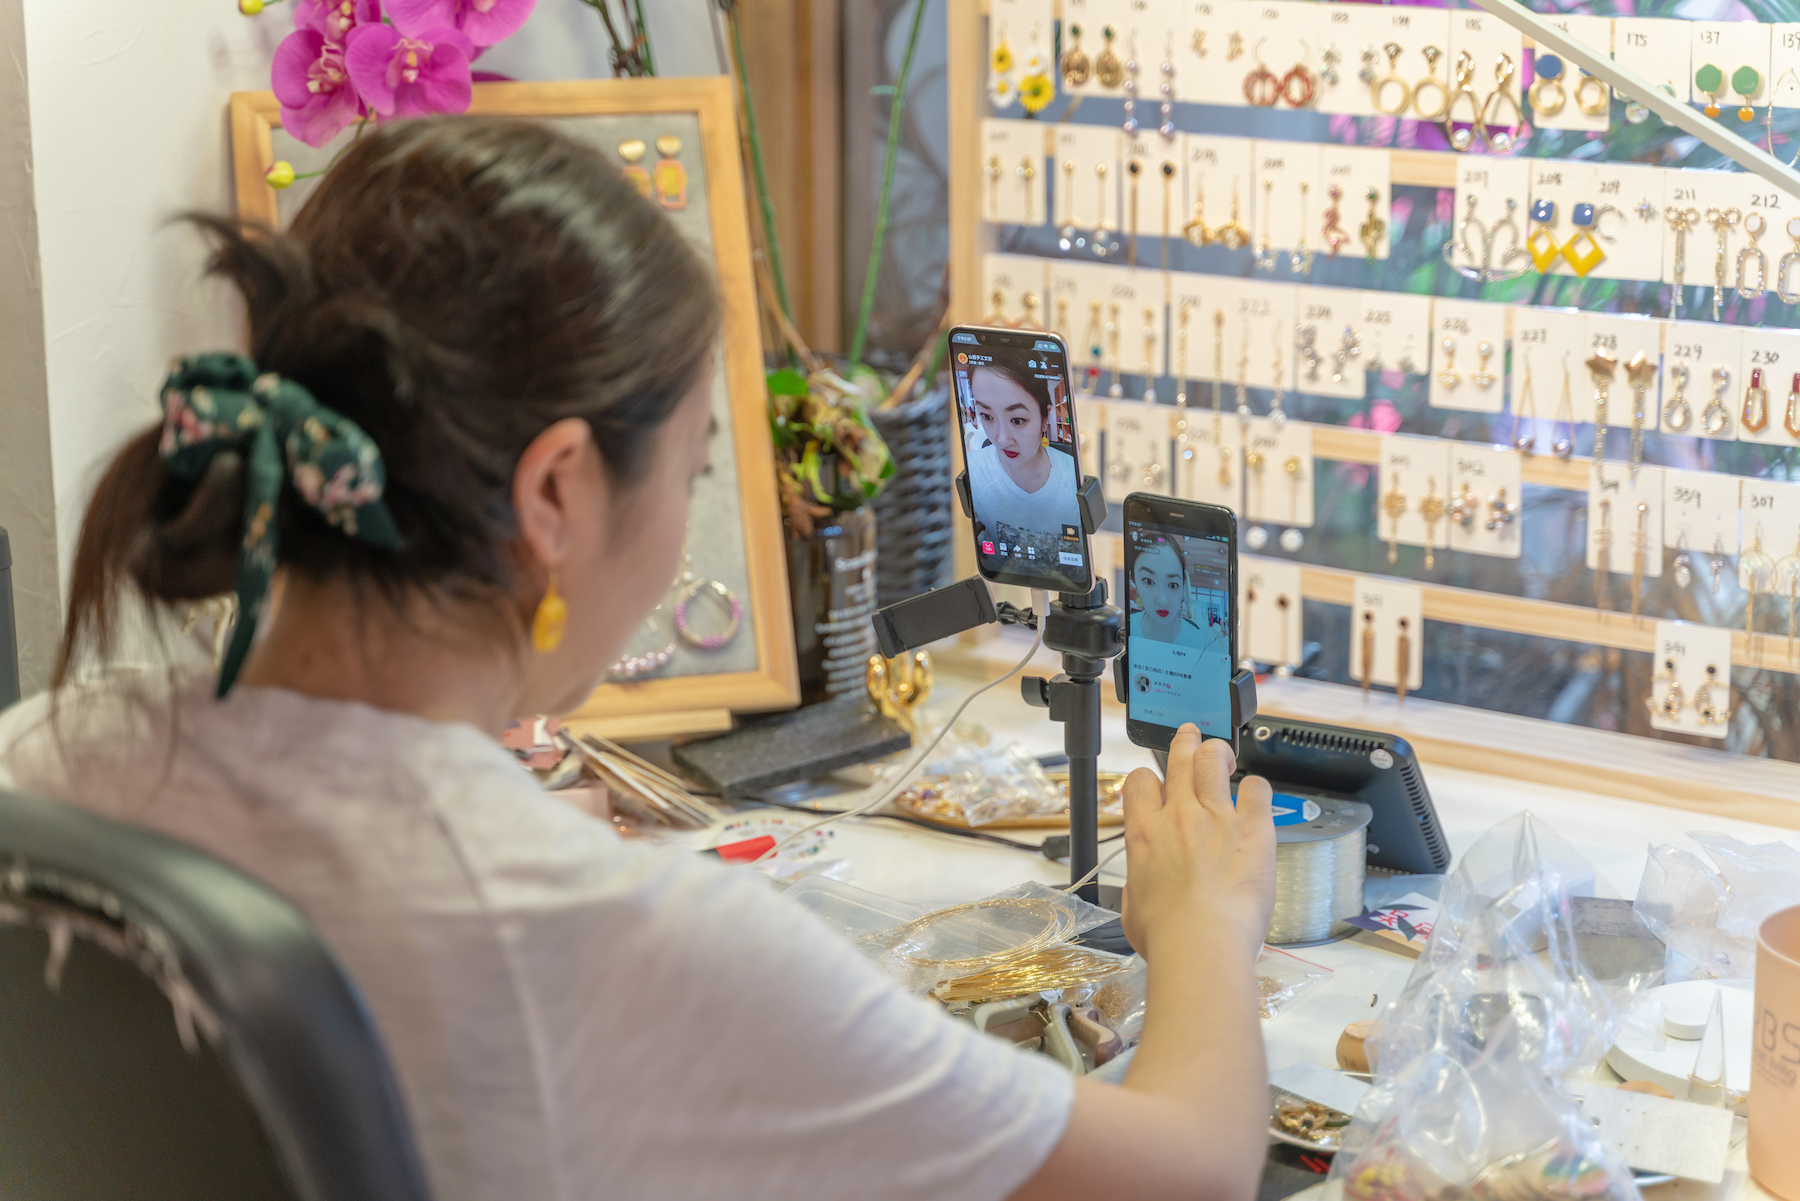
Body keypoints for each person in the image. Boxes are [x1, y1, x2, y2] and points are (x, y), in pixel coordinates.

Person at [0, 117, 1276, 1201]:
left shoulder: (44, 757)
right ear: (556, 489)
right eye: (694, 473)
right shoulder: (620, 939)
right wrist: (1206, 923)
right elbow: (1189, 1167)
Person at [963, 362, 1082, 538]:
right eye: (987, 416)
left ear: (1044, 418)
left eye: (1018, 420)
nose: (1002, 439)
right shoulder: (972, 470)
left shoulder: (1073, 477)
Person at [1128, 538, 1215, 649]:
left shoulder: (1202, 641)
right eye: (1149, 582)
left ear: (1182, 586)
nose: (1163, 601)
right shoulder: (1128, 627)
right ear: (1134, 581)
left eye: (1173, 585)